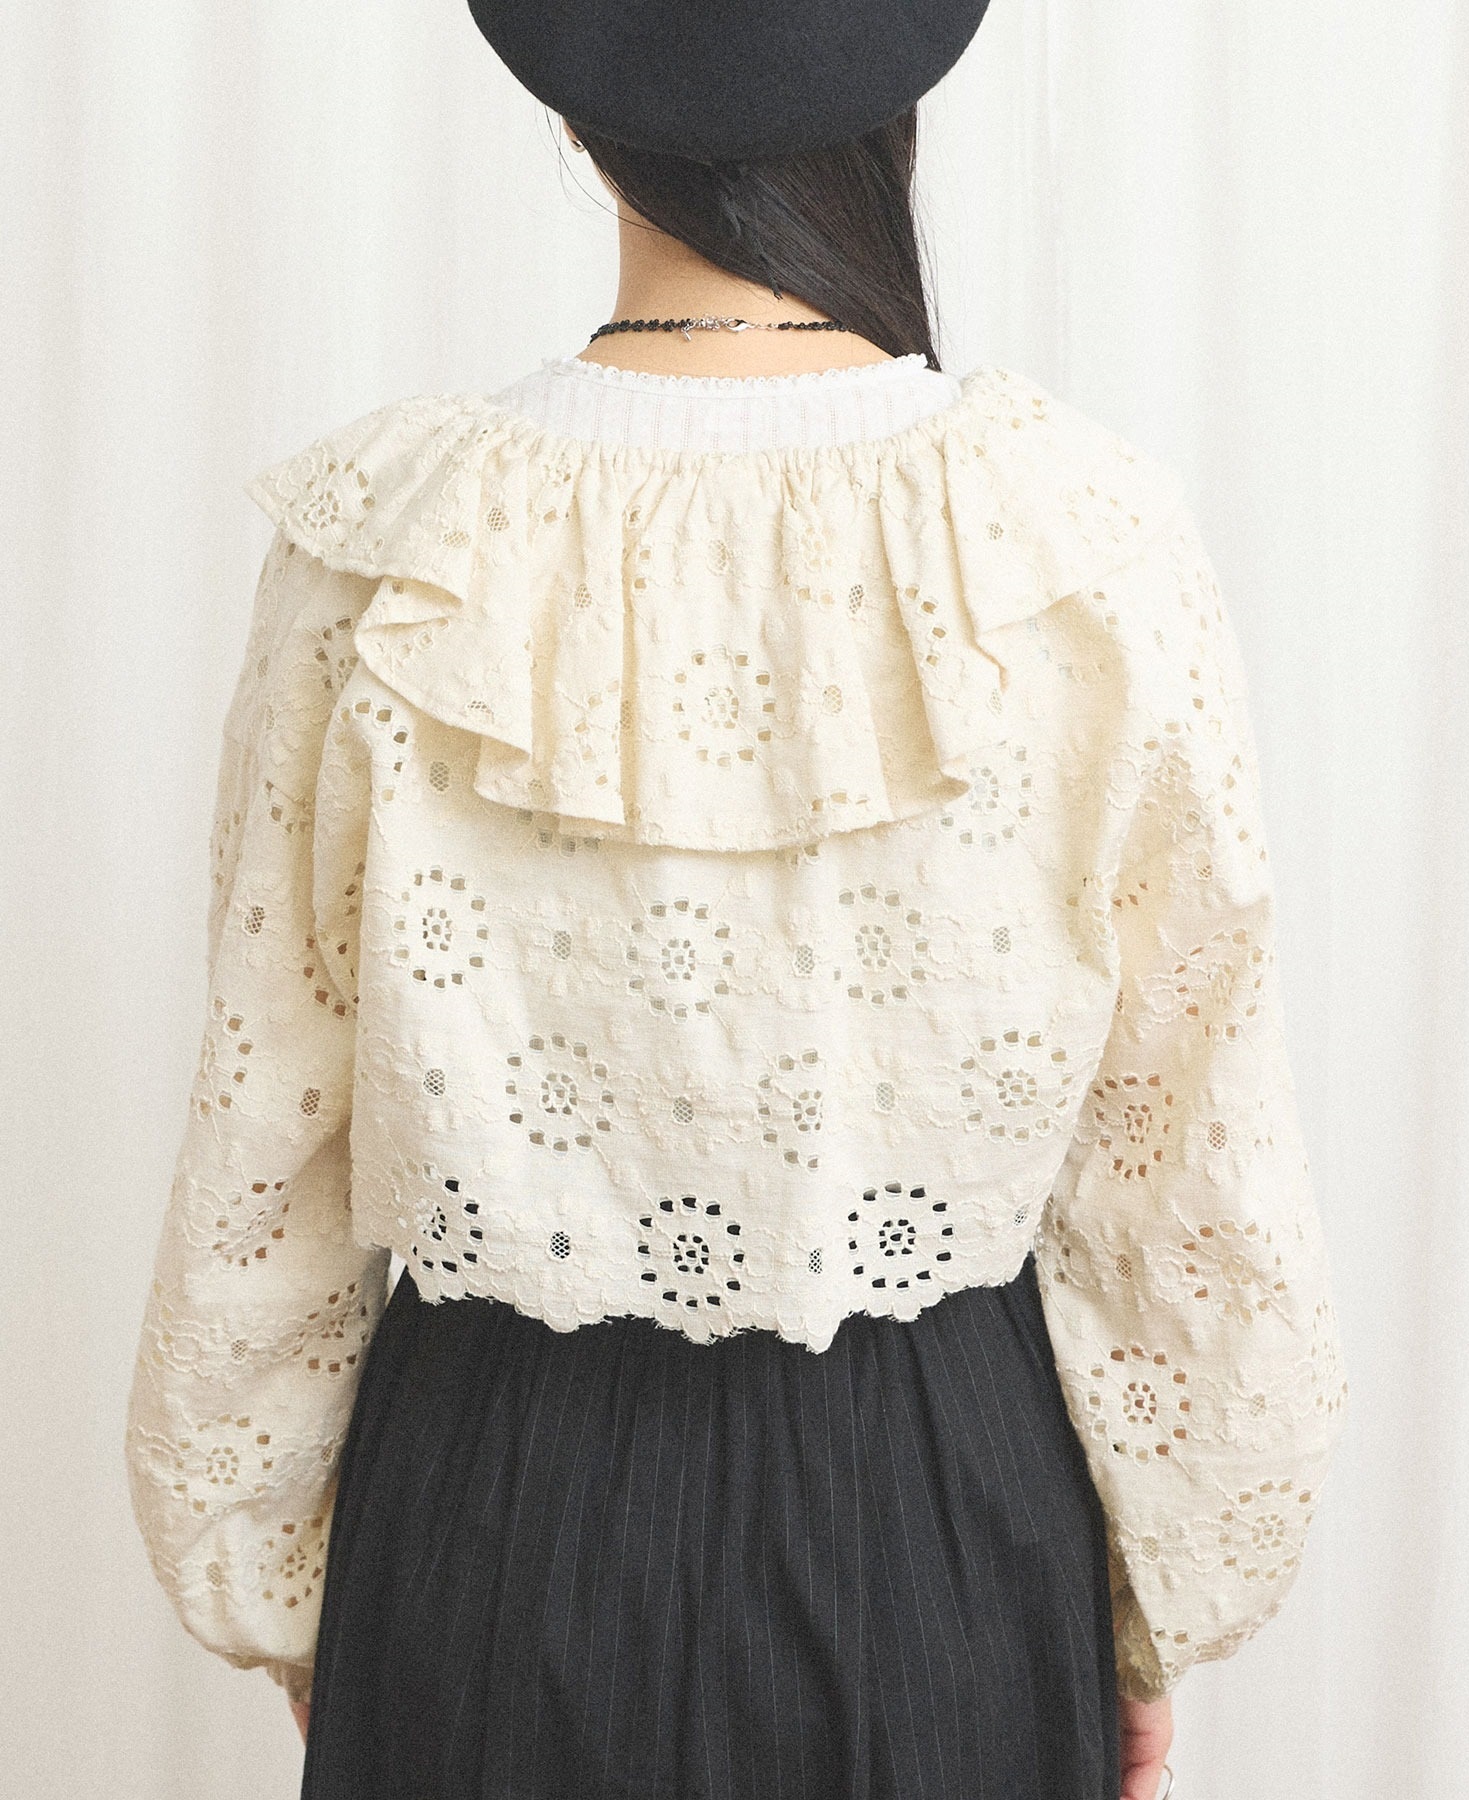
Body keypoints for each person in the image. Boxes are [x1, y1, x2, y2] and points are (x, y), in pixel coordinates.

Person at [122, 4, 1349, 1797]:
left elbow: (267, 1135)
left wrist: (301, 1590)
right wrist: (1152, 1596)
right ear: (896, 89)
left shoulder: (389, 546)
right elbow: (1189, 1150)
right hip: (946, 1519)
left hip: (489, 1519)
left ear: (578, 108)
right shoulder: (1079, 541)